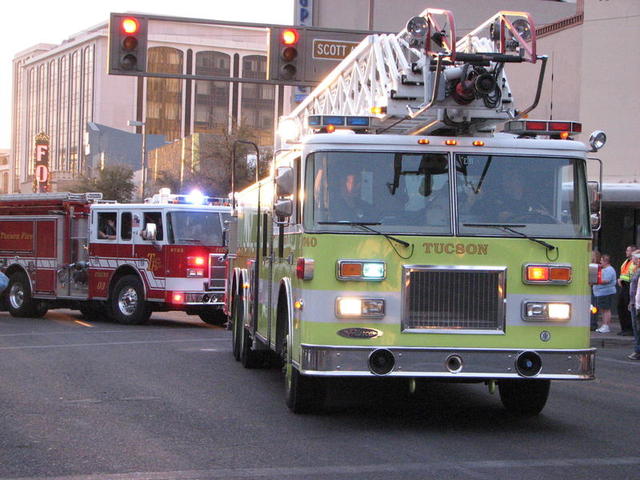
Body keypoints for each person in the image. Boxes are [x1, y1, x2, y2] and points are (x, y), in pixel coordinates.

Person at [593, 254, 617, 333]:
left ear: (606, 261)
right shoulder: (604, 269)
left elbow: (606, 280)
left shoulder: (609, 269)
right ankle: (604, 325)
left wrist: (595, 281)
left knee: (606, 310)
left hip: (606, 292)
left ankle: (606, 326)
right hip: (601, 293)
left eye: (601, 260)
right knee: (603, 310)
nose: (600, 262)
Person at [616, 244, 637, 336]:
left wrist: (623, 279)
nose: (626, 252)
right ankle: (624, 328)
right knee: (621, 307)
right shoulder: (626, 261)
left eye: (628, 250)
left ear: (632, 252)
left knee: (628, 307)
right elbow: (624, 272)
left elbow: (633, 274)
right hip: (624, 285)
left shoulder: (635, 261)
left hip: (630, 285)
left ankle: (630, 329)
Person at [627, 249, 640, 360]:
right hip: (634, 302)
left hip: (637, 304)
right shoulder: (636, 270)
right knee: (636, 328)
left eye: (634, 257)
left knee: (637, 328)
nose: (632, 260)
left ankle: (638, 350)